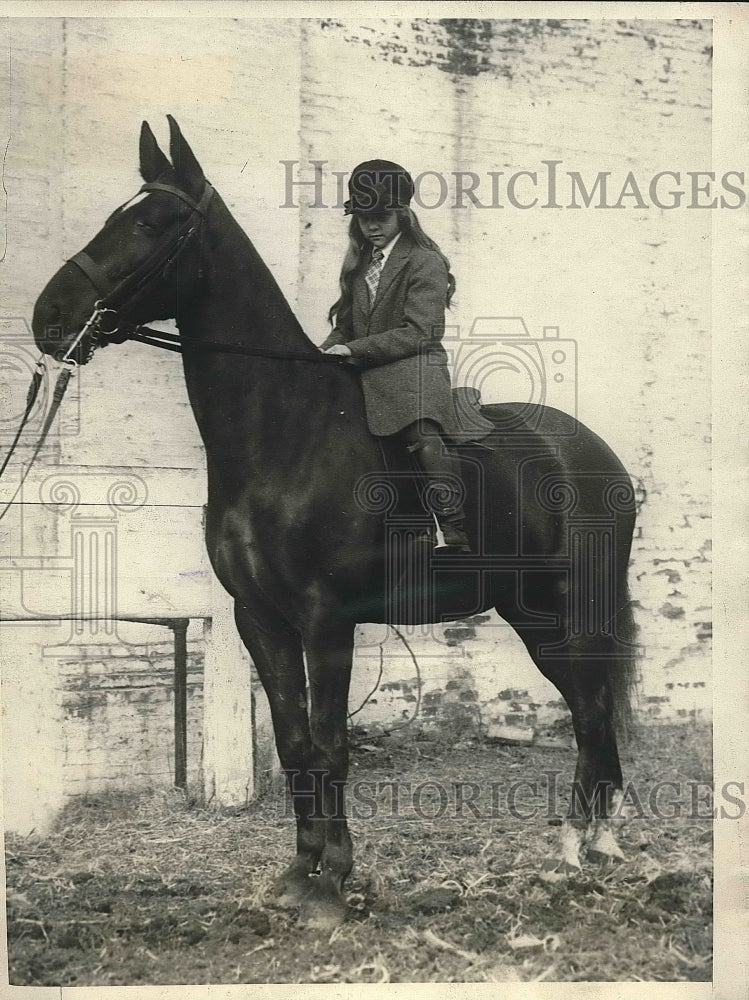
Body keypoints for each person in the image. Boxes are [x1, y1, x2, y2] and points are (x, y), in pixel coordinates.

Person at [321, 159, 489, 553]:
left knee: (422, 435)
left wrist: (355, 350)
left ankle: (453, 527)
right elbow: (346, 324)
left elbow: (421, 331)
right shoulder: (360, 264)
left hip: (413, 369)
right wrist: (326, 349)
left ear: (402, 214)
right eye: (364, 219)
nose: (372, 227)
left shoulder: (424, 260)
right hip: (363, 369)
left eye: (380, 217)